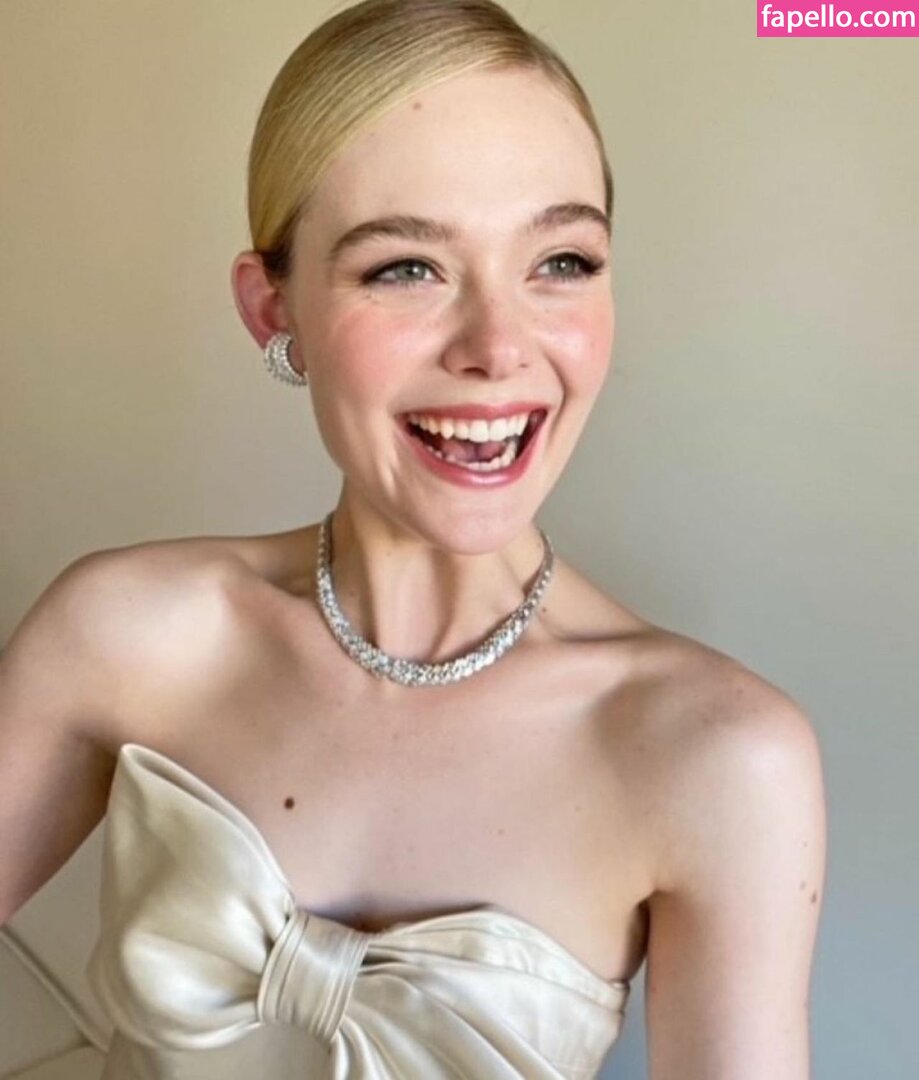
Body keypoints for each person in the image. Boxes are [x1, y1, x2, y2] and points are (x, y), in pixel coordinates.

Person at [0, 0, 826, 1077]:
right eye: (405, 268)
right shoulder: (121, 631)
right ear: (273, 309)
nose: (497, 346)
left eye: (561, 261)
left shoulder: (720, 757)